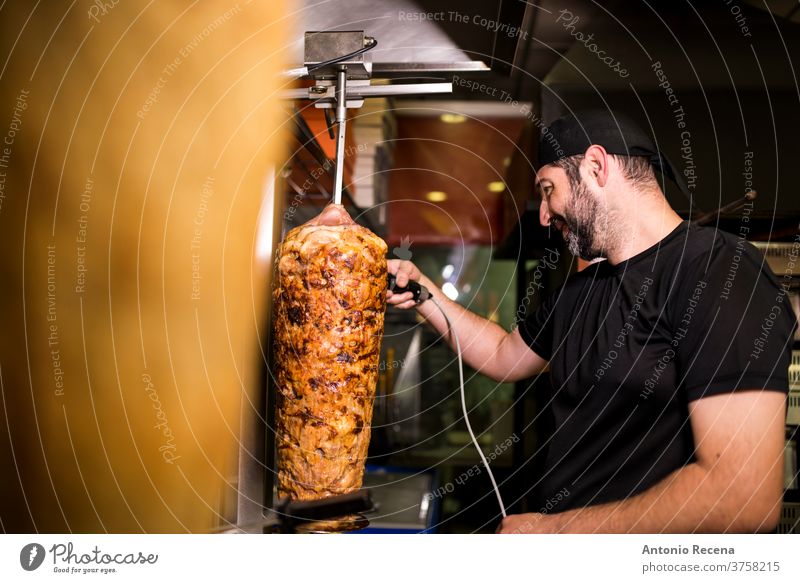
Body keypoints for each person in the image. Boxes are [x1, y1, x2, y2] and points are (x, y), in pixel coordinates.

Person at [387, 110, 796, 533]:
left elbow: (743, 496)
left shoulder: (718, 272)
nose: (544, 215)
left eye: (549, 190)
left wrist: (553, 532)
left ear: (596, 167)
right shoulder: (582, 290)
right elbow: (502, 354)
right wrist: (425, 294)